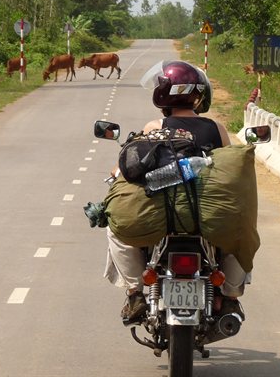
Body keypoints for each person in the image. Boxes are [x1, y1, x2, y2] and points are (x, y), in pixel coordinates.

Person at [104, 60, 247, 323]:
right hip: (207, 217)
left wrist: (114, 175)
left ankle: (135, 293)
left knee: (116, 229)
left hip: (165, 217)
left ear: (162, 93)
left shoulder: (154, 127)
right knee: (241, 235)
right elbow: (231, 169)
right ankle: (230, 299)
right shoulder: (216, 128)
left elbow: (130, 168)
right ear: (197, 94)